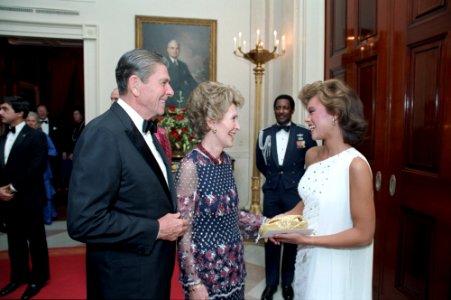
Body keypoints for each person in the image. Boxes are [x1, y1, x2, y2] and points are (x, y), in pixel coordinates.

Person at [67, 48, 189, 299]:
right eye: (164, 82)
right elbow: (84, 221)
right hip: (124, 282)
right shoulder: (103, 134)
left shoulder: (147, 131)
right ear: (135, 84)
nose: (171, 91)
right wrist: (155, 228)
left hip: (150, 274)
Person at [270, 79, 375, 300]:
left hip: (335, 265)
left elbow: (364, 234)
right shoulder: (312, 155)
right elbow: (308, 202)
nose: (306, 119)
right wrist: (277, 222)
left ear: (335, 113)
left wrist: (308, 240)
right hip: (309, 258)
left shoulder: (355, 165)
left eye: (311, 111)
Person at [176, 81, 266, 300]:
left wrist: (266, 225)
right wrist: (194, 283)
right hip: (207, 278)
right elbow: (183, 232)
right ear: (211, 122)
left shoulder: (225, 161)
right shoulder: (191, 166)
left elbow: (230, 215)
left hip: (235, 270)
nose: (238, 126)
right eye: (233, 118)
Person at [256, 94, 317, 300]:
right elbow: (261, 163)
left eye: (285, 108)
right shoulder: (264, 134)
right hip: (272, 191)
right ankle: (271, 284)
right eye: (278, 108)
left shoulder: (305, 133)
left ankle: (287, 283)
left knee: (291, 237)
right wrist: (275, 179)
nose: (281, 111)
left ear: (291, 110)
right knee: (271, 237)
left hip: (294, 192)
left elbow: (312, 161)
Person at [0, 97, 50, 299]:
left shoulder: (36, 136)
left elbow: (37, 167)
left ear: (19, 112)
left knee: (36, 241)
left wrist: (12, 187)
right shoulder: (3, 137)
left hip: (29, 198)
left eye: (4, 108)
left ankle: (38, 278)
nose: (1, 112)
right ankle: (18, 276)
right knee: (14, 241)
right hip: (7, 200)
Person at [26, 111, 59, 225]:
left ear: (37, 123)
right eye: (28, 121)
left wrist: (41, 154)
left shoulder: (43, 136)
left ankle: (48, 218)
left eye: (33, 121)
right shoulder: (22, 136)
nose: (30, 123)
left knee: (47, 194)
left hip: (43, 171)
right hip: (27, 172)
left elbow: (54, 151)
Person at [164, 39, 198, 107]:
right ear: (167, 49)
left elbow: (191, 81)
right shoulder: (163, 64)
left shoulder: (183, 65)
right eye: (172, 48)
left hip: (182, 100)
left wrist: (201, 88)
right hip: (168, 100)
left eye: (177, 48)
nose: (175, 51)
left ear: (179, 50)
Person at [60, 108, 85, 191]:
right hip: (72, 154)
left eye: (77, 114)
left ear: (81, 115)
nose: (75, 116)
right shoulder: (74, 126)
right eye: (74, 114)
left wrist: (73, 152)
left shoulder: (84, 125)